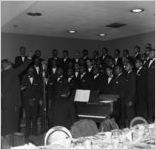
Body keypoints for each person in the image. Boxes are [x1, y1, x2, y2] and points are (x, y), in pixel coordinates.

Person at [1, 54, 32, 136]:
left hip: (6, 102)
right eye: (9, 62)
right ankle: (11, 143)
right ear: (7, 65)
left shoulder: (3, 74)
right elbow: (22, 67)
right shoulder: (11, 72)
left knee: (6, 123)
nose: (11, 63)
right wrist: (29, 58)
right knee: (13, 124)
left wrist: (18, 88)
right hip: (12, 103)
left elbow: (7, 88)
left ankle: (5, 141)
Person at [21, 67, 43, 137]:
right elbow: (22, 91)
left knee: (34, 118)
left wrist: (37, 99)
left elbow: (39, 91)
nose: (30, 72)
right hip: (27, 101)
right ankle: (27, 134)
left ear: (33, 71)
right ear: (27, 71)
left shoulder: (37, 79)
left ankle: (34, 134)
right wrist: (28, 99)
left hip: (35, 101)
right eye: (29, 70)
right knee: (27, 118)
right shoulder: (24, 79)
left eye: (32, 71)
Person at [124, 61, 136, 127]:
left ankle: (132, 129)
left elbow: (133, 89)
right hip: (127, 98)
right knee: (128, 116)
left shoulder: (132, 75)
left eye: (127, 65)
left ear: (131, 67)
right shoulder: (127, 74)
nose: (125, 66)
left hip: (130, 99)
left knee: (131, 116)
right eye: (125, 65)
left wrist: (131, 100)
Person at [147, 50, 155, 123]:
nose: (149, 54)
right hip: (148, 87)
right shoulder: (147, 62)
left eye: (151, 53)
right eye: (149, 53)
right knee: (150, 103)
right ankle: (151, 117)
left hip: (154, 87)